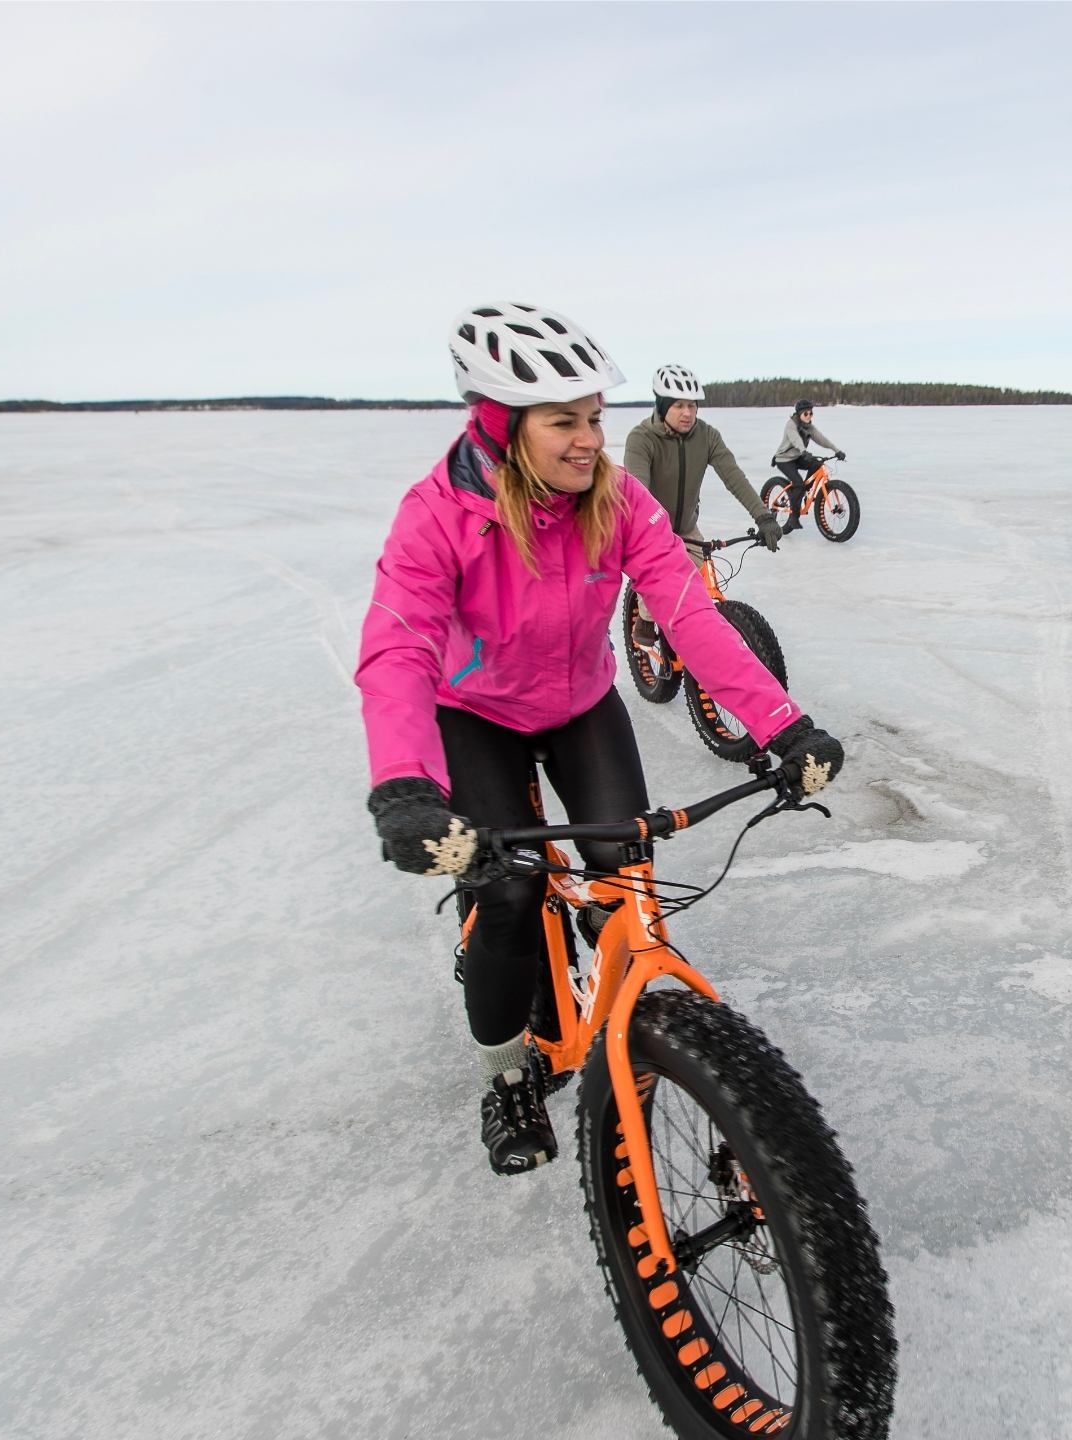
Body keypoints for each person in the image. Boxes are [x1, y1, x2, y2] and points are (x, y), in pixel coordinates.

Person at [357, 302, 846, 1177]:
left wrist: (781, 723)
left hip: (581, 704)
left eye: (594, 418)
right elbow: (397, 644)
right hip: (474, 718)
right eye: (564, 423)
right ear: (502, 427)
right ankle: (505, 1074)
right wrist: (403, 783)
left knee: (624, 865)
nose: (589, 441)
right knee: (504, 898)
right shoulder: (436, 515)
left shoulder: (615, 501)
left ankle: (649, 1034)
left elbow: (690, 614)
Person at [622, 365, 783, 643]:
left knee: (697, 591)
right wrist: (655, 540)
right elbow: (638, 494)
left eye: (693, 405)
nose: (688, 413)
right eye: (679, 405)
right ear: (662, 406)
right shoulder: (642, 439)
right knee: (657, 587)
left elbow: (734, 477)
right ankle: (645, 620)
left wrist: (763, 516)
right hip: (652, 532)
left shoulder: (706, 436)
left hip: (687, 528)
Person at [770, 398, 844, 531]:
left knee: (816, 464)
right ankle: (793, 517)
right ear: (799, 414)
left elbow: (822, 439)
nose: (809, 416)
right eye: (806, 414)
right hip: (784, 459)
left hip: (798, 456)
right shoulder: (791, 425)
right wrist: (804, 451)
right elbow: (795, 439)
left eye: (811, 413)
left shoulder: (809, 427)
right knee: (798, 484)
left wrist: (836, 450)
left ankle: (804, 490)